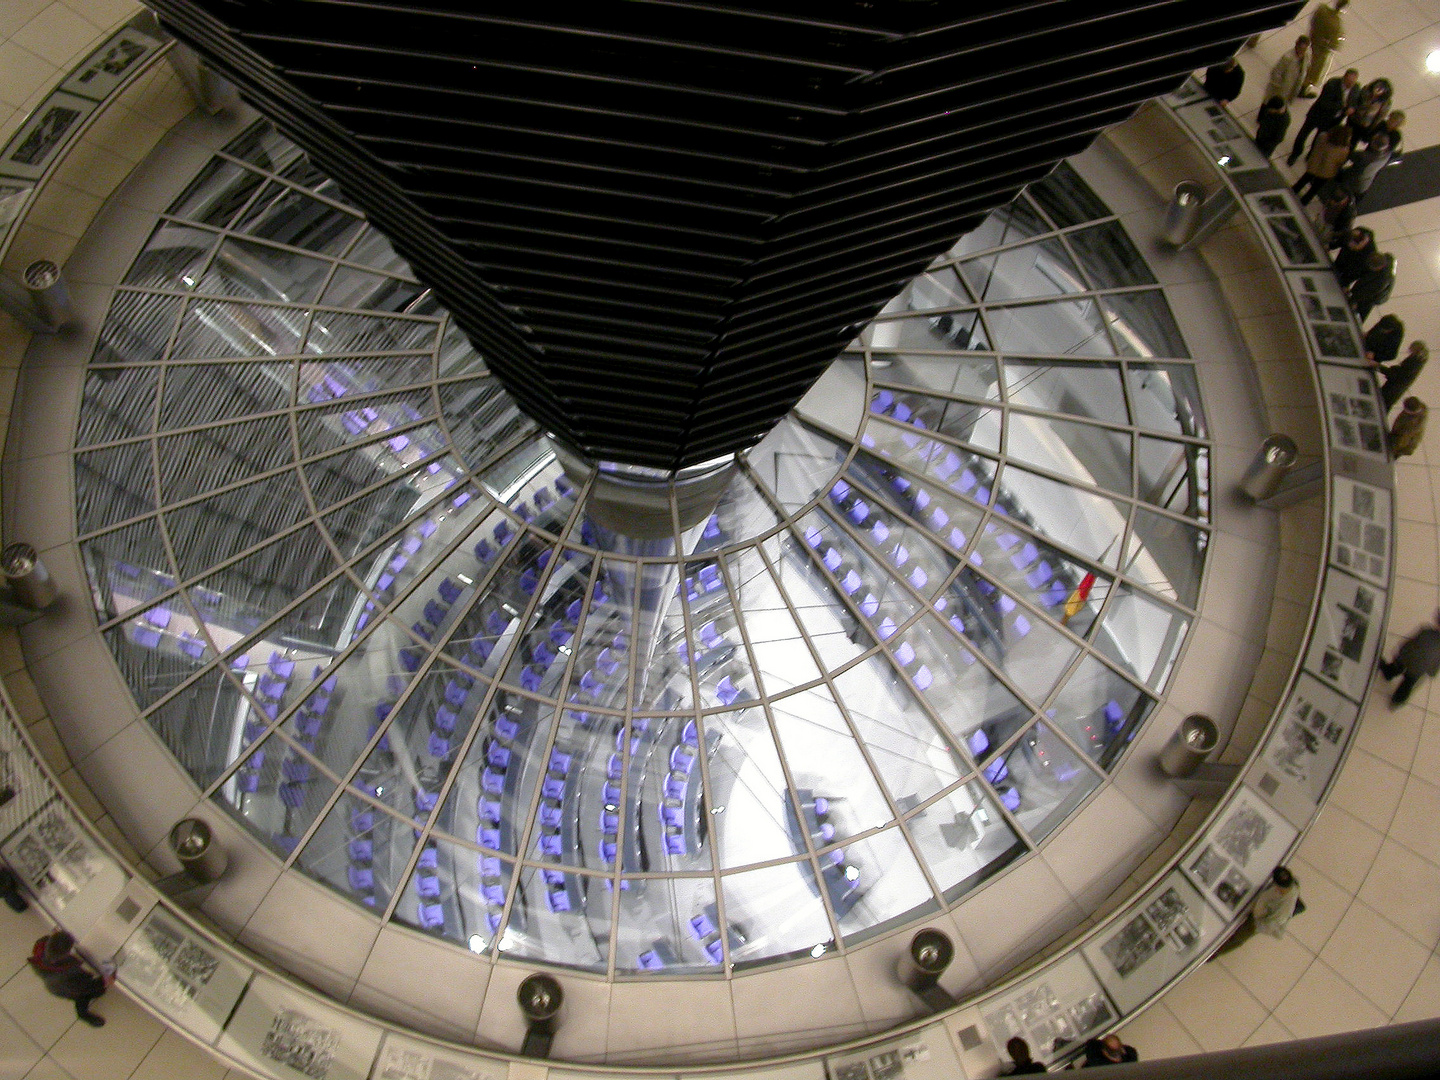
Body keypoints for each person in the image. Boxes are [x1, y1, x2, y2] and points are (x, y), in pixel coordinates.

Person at [1214, 867, 1303, 956]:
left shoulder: (1283, 908)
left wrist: (1255, 923)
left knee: (1237, 938)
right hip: (1256, 905)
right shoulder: (1291, 884)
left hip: (1256, 920)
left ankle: (1213, 953)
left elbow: (1270, 924)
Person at [27, 930, 108, 1027]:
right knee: (90, 994)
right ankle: (83, 1014)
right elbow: (87, 987)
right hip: (62, 988)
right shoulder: (63, 976)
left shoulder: (41, 945)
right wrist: (105, 980)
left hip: (57, 982)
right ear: (65, 954)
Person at [1288, 68, 1360, 165]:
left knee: (1319, 139)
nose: (1350, 85)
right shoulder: (1332, 84)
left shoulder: (1356, 88)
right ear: (1344, 78)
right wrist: (1343, 107)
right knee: (1303, 134)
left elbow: (1355, 101)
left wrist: (1352, 108)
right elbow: (1324, 102)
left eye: (1353, 82)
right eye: (1349, 82)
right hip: (1318, 115)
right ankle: (1295, 153)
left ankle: (1311, 155)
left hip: (1333, 120)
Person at [1378, 609, 1440, 704]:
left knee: (1396, 667)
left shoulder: (1426, 631)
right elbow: (1437, 663)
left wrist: (1401, 650)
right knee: (1407, 685)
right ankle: (1397, 700)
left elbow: (1411, 643)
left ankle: (1388, 673)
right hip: (1419, 670)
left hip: (1407, 659)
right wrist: (1432, 672)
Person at [1293, 124, 1353, 204]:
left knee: (1303, 180)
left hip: (1314, 165)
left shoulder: (1323, 136)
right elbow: (1340, 162)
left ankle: (1292, 192)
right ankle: (1304, 201)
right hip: (1326, 172)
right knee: (1314, 189)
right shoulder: (1344, 149)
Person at [1301, 0, 1349, 95]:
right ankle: (1303, 89)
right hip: (1321, 49)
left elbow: (1313, 22)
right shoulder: (1337, 25)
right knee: (1314, 70)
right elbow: (1334, 45)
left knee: (1305, 61)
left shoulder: (1322, 10)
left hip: (1312, 39)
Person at [1338, 132, 1393, 203]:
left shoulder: (1365, 156)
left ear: (1374, 144)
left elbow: (1350, 156)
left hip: (1353, 181)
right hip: (1366, 183)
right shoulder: (1388, 154)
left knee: (1343, 196)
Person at [1376, 339, 1428, 411]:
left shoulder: (1413, 362)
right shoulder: (1418, 361)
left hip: (1392, 390)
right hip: (1394, 391)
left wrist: (1379, 367)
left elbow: (1397, 375)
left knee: (1380, 404)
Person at [1348, 249, 1396, 321]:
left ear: (1379, 267)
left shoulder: (1382, 281)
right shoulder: (1387, 257)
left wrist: (1354, 301)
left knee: (1362, 309)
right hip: (1377, 289)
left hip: (1376, 297)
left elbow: (1365, 293)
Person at [1265, 36, 1310, 106]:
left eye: (1304, 50)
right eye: (1301, 49)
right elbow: (1276, 73)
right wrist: (1277, 89)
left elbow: (1305, 69)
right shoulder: (1287, 58)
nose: (1302, 52)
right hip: (1280, 90)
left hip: (1291, 88)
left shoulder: (1306, 56)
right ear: (1296, 46)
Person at [1352, 78, 1394, 142]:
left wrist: (1372, 128)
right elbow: (1357, 101)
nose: (1377, 90)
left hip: (1366, 124)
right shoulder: (1366, 90)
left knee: (1355, 140)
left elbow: (1381, 116)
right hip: (1354, 118)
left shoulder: (1385, 102)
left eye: (1381, 89)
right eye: (1377, 86)